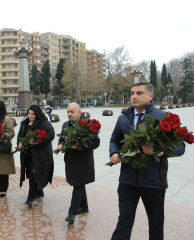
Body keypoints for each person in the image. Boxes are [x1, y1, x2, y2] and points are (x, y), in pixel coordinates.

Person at [109, 82, 186, 240]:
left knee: (156, 224)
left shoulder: (163, 117)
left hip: (153, 182)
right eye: (132, 93)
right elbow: (114, 140)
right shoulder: (123, 118)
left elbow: (180, 147)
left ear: (150, 96)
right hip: (127, 181)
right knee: (124, 221)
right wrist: (114, 152)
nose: (134, 97)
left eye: (139, 93)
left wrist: (160, 151)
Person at [57, 103, 100, 224]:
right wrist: (60, 145)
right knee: (78, 183)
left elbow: (96, 142)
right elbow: (62, 139)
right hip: (70, 160)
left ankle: (71, 213)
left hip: (83, 162)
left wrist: (78, 146)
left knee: (78, 185)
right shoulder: (66, 125)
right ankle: (84, 206)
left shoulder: (88, 125)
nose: (69, 114)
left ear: (79, 113)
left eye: (72, 111)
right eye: (68, 112)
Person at [17, 105, 55, 207]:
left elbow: (51, 134)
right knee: (31, 173)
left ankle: (30, 197)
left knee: (34, 173)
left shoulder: (44, 123)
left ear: (37, 114)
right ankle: (39, 191)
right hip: (27, 154)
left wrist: (38, 141)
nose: (31, 116)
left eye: (33, 114)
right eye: (29, 113)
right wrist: (20, 143)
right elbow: (20, 135)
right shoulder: (24, 124)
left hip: (40, 154)